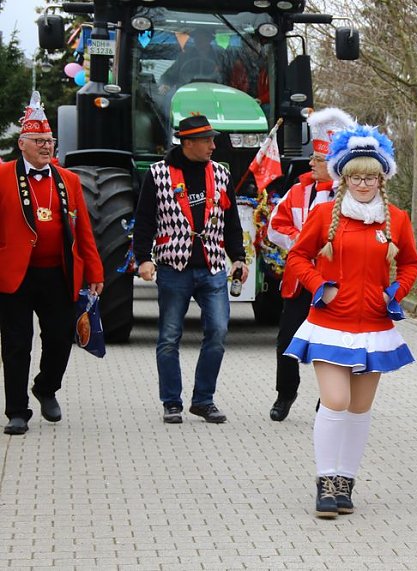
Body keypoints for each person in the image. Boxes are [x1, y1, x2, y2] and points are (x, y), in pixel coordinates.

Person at [284, 124, 417, 519]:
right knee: (337, 401)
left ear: (382, 178)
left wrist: (395, 293)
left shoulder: (396, 218)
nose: (363, 183)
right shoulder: (325, 214)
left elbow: (411, 262)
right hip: (329, 323)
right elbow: (297, 257)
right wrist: (318, 286)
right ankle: (325, 481)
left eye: (371, 176)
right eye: (356, 176)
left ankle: (345, 483)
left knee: (360, 409)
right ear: (343, 177)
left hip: (375, 327)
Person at [0, 91, 104, 435]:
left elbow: (84, 231)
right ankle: (17, 410)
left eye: (50, 140)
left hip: (58, 274)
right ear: (23, 144)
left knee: (60, 339)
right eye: (40, 141)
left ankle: (46, 388)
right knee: (16, 344)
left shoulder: (68, 180)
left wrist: (94, 271)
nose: (47, 146)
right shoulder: (2, 176)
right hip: (14, 275)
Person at [133, 114, 248, 424]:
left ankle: (203, 400)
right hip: (174, 267)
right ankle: (172, 402)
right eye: (207, 140)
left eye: (213, 139)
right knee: (169, 337)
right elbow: (143, 221)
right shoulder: (158, 175)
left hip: (212, 266)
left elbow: (231, 223)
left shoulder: (221, 174)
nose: (214, 145)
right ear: (188, 143)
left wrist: (238, 257)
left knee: (219, 331)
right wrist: (143, 258)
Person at [267, 107, 356, 421]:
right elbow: (275, 228)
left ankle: (327, 400)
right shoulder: (297, 190)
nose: (310, 164)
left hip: (335, 284)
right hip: (299, 281)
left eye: (317, 160)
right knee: (287, 341)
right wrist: (304, 243)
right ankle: (285, 394)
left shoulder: (350, 196)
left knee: (331, 343)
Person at [159, 28, 226, 93]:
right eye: (197, 38)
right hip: (185, 93)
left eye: (203, 38)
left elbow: (226, 76)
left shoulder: (220, 57)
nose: (199, 41)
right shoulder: (184, 56)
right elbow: (170, 74)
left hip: (214, 93)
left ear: (209, 39)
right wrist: (165, 84)